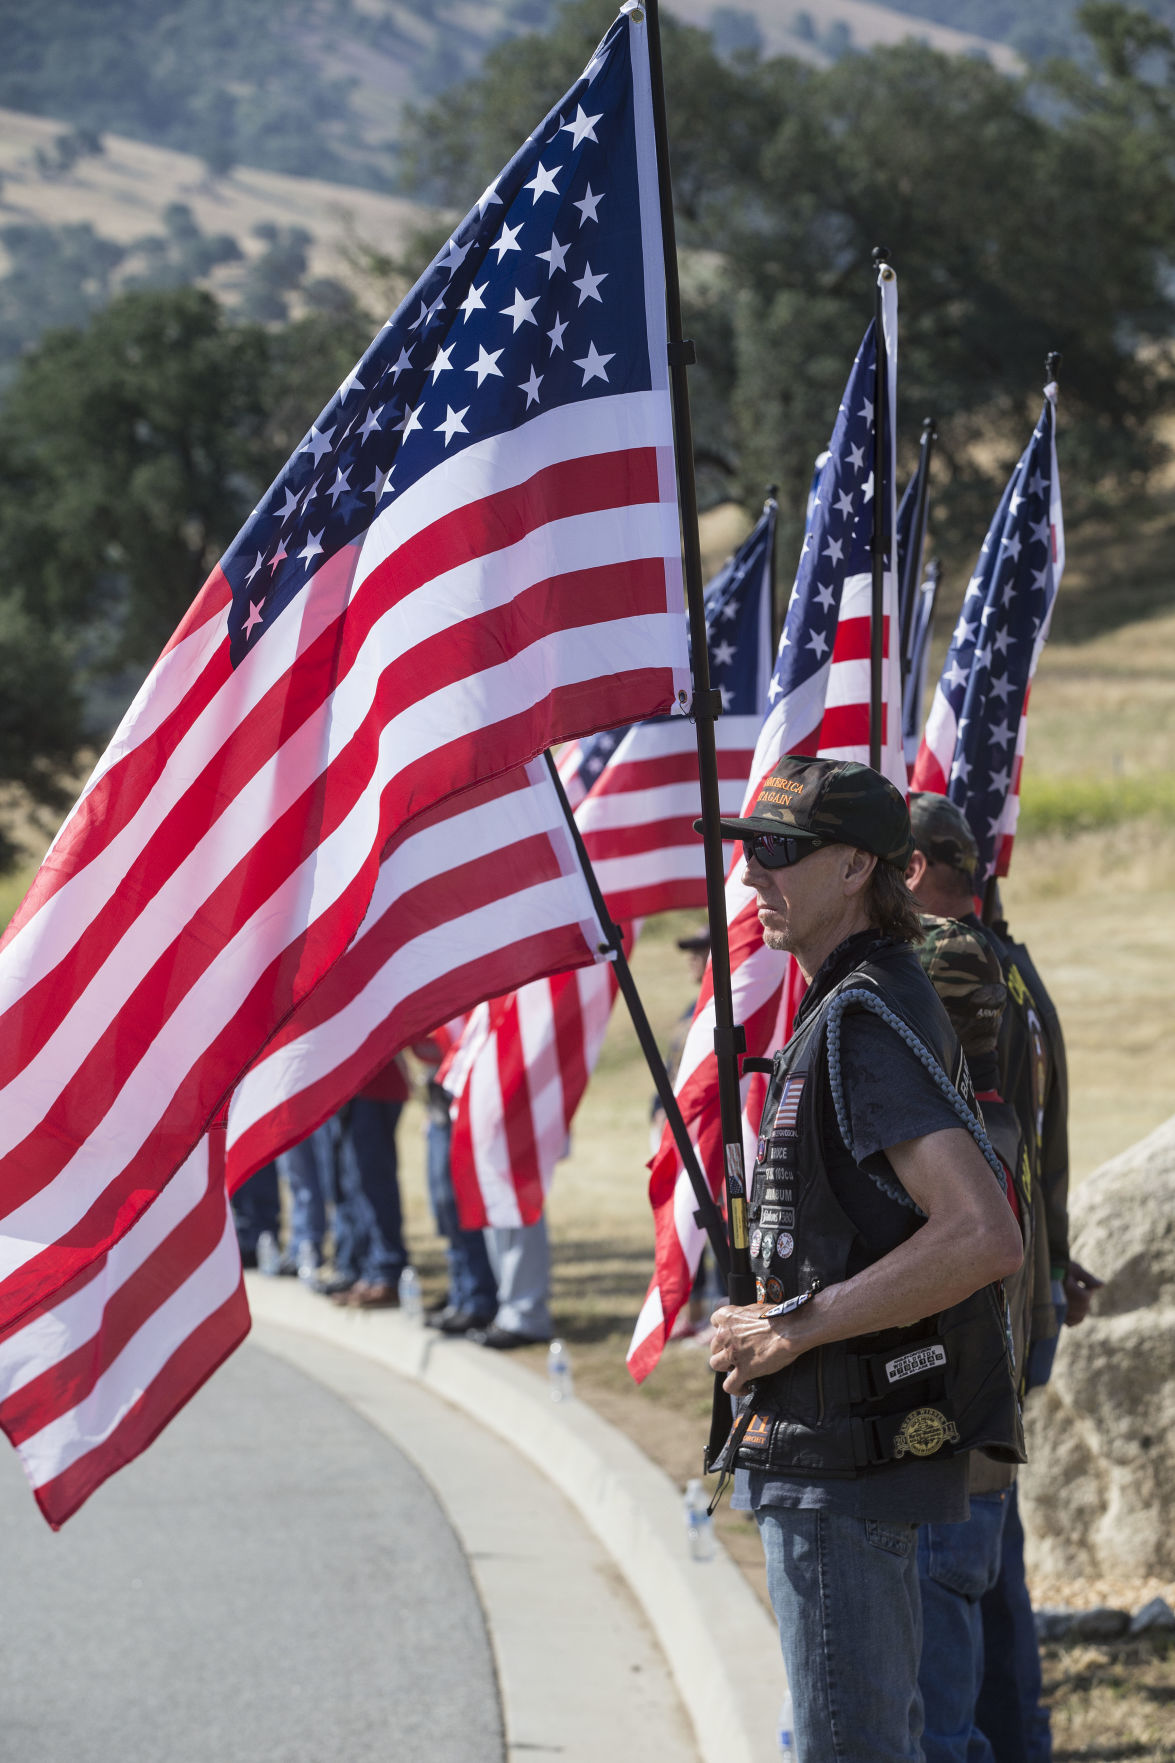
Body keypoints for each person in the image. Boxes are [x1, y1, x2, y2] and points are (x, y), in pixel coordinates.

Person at [706, 755, 1024, 1763]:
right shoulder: (856, 1000)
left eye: (777, 855)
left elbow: (981, 1234)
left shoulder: (860, 1015)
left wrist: (787, 1325)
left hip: (842, 1461)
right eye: (749, 853)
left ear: (853, 868)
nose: (753, 877)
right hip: (837, 1449)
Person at [905, 792, 1102, 1763]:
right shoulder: (1007, 958)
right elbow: (1033, 1142)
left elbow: (969, 1144)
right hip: (1022, 1295)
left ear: (907, 868)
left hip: (979, 1310)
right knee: (994, 1563)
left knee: (951, 1566)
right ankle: (1015, 1738)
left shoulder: (947, 958)